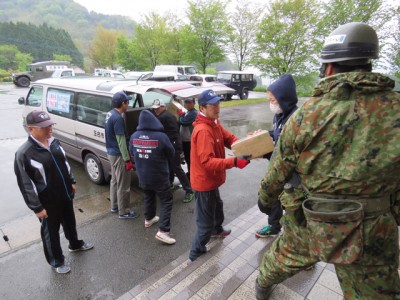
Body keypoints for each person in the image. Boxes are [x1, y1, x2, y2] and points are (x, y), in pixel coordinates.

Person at [256, 22, 400, 300]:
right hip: (373, 230)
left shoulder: (306, 115)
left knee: (280, 260)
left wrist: (266, 200)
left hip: (310, 221)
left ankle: (262, 286)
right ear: (368, 64)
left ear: (329, 68)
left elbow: (278, 169)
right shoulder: (396, 110)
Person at [14, 110, 93, 274]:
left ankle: (75, 244)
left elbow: (65, 163)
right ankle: (57, 261)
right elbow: (25, 183)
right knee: (51, 232)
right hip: (47, 202)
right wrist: (36, 207)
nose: (49, 129)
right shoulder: (24, 153)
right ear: (31, 129)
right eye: (44, 127)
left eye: (50, 125)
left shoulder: (54, 142)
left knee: (70, 223)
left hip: (65, 194)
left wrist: (72, 180)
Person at [188, 89, 251, 262]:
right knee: (204, 225)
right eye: (213, 105)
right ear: (202, 107)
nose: (217, 108)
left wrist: (244, 145)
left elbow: (228, 138)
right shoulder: (202, 130)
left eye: (218, 104)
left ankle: (217, 229)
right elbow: (207, 162)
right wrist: (234, 162)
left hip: (212, 181)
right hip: (203, 183)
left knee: (217, 206)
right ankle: (195, 254)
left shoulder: (214, 123)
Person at [255, 74, 298, 238]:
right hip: (277, 168)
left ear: (284, 99)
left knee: (286, 200)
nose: (270, 103)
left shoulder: (295, 119)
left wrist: (266, 152)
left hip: (292, 175)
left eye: (273, 100)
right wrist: (265, 135)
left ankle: (293, 233)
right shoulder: (279, 115)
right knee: (275, 197)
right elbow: (277, 134)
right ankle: (274, 226)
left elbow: (288, 154)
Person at [129, 110, 176, 244]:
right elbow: (171, 153)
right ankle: (163, 231)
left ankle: (148, 219)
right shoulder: (161, 137)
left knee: (149, 195)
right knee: (166, 201)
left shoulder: (134, 136)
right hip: (159, 176)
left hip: (142, 175)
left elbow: (131, 152)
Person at [151, 99, 194, 203]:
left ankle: (189, 190)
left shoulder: (162, 117)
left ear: (162, 107)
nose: (155, 110)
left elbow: (155, 130)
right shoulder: (169, 115)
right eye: (154, 108)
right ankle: (170, 183)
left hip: (173, 145)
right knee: (170, 166)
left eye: (157, 108)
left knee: (176, 168)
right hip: (173, 143)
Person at [105, 91, 139, 219]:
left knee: (114, 181)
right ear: (122, 103)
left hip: (111, 152)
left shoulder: (110, 114)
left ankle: (114, 206)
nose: (128, 104)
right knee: (124, 185)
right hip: (119, 155)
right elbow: (121, 141)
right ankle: (124, 211)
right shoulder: (118, 118)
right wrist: (127, 159)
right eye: (127, 102)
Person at [177, 97, 198, 181]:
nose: (187, 104)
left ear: (194, 103)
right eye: (186, 102)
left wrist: (180, 115)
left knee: (190, 159)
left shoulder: (194, 113)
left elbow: (183, 122)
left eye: (189, 102)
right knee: (188, 158)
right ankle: (191, 173)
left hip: (189, 141)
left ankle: (191, 175)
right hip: (185, 140)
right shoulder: (188, 112)